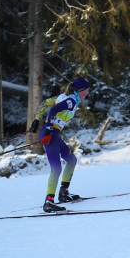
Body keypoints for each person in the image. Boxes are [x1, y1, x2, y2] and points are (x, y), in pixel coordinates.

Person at [28, 77, 90, 212]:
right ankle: (48, 202)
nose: (88, 92)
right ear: (80, 90)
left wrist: (37, 121)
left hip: (52, 134)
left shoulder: (65, 97)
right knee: (56, 168)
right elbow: (53, 110)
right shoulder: (71, 101)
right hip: (50, 134)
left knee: (72, 160)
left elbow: (45, 103)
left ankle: (63, 193)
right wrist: (48, 127)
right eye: (86, 90)